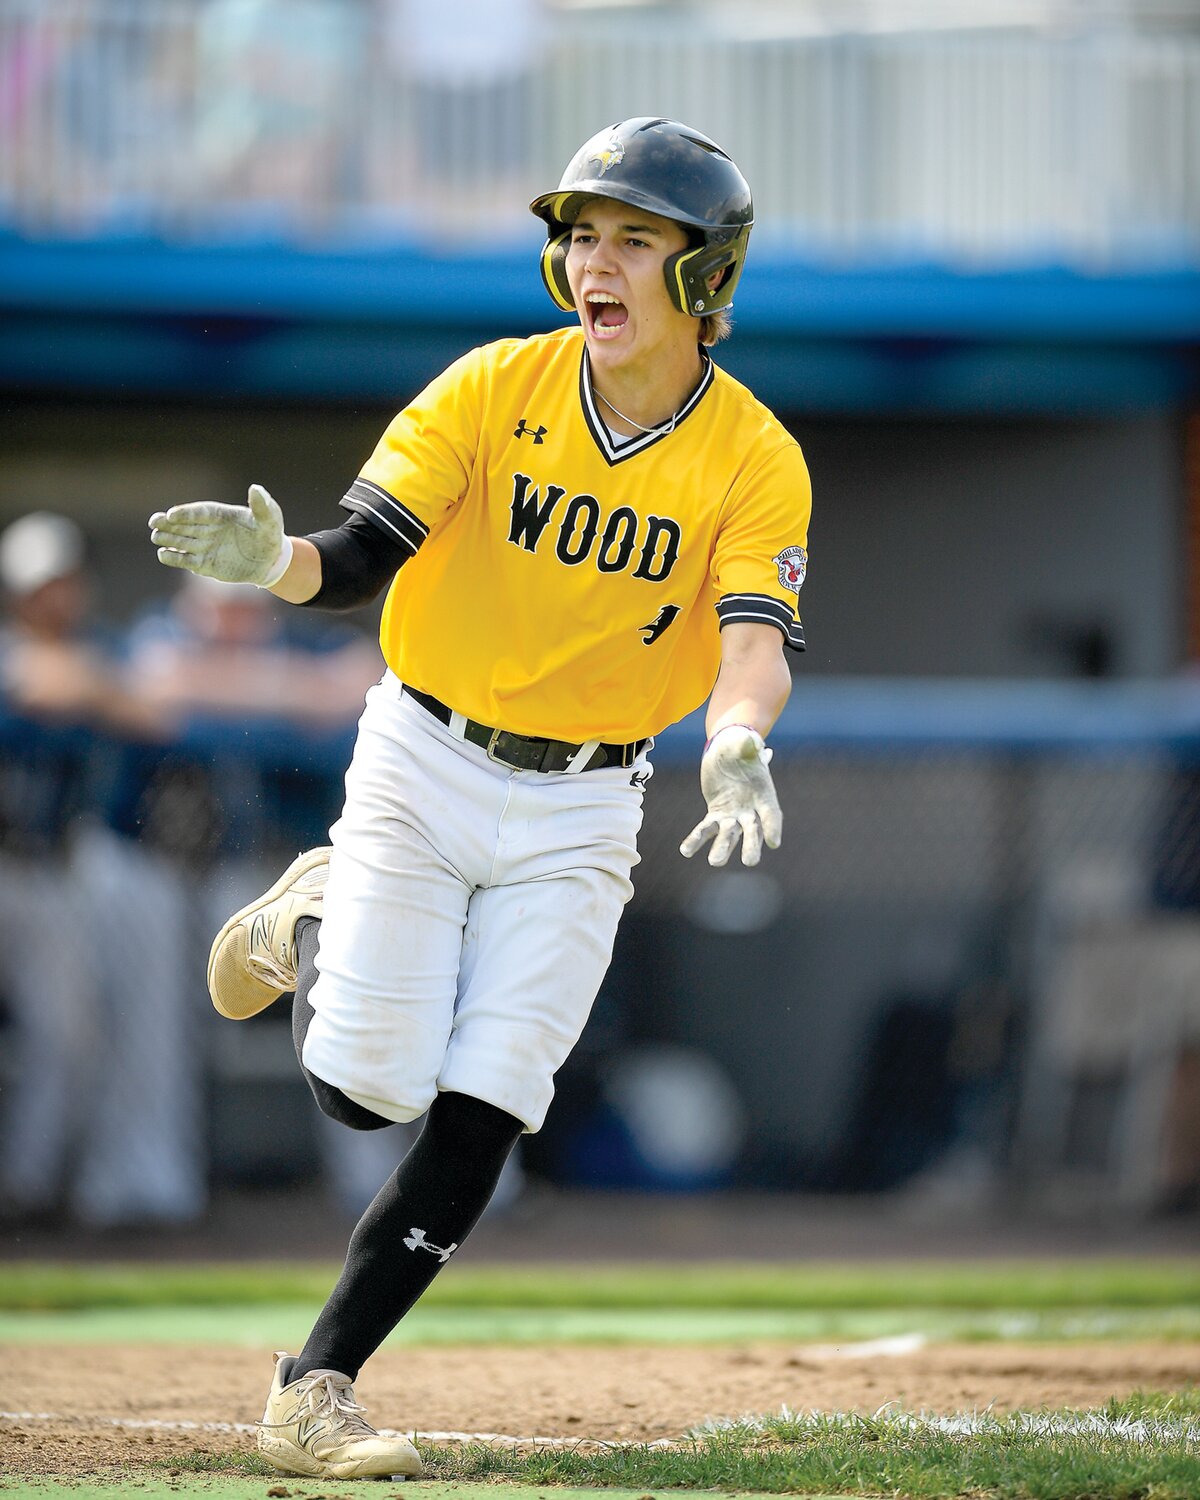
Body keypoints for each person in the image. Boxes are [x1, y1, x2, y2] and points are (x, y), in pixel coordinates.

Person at [148, 117, 811, 1481]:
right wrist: (275, 563)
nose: (593, 261)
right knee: (361, 1088)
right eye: (580, 234)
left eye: (634, 237)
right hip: (426, 759)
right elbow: (358, 555)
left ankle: (315, 1385)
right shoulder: (495, 385)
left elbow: (752, 644)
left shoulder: (754, 456)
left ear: (705, 277)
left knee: (494, 1097)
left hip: (584, 802)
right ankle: (315, 915)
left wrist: (738, 738)